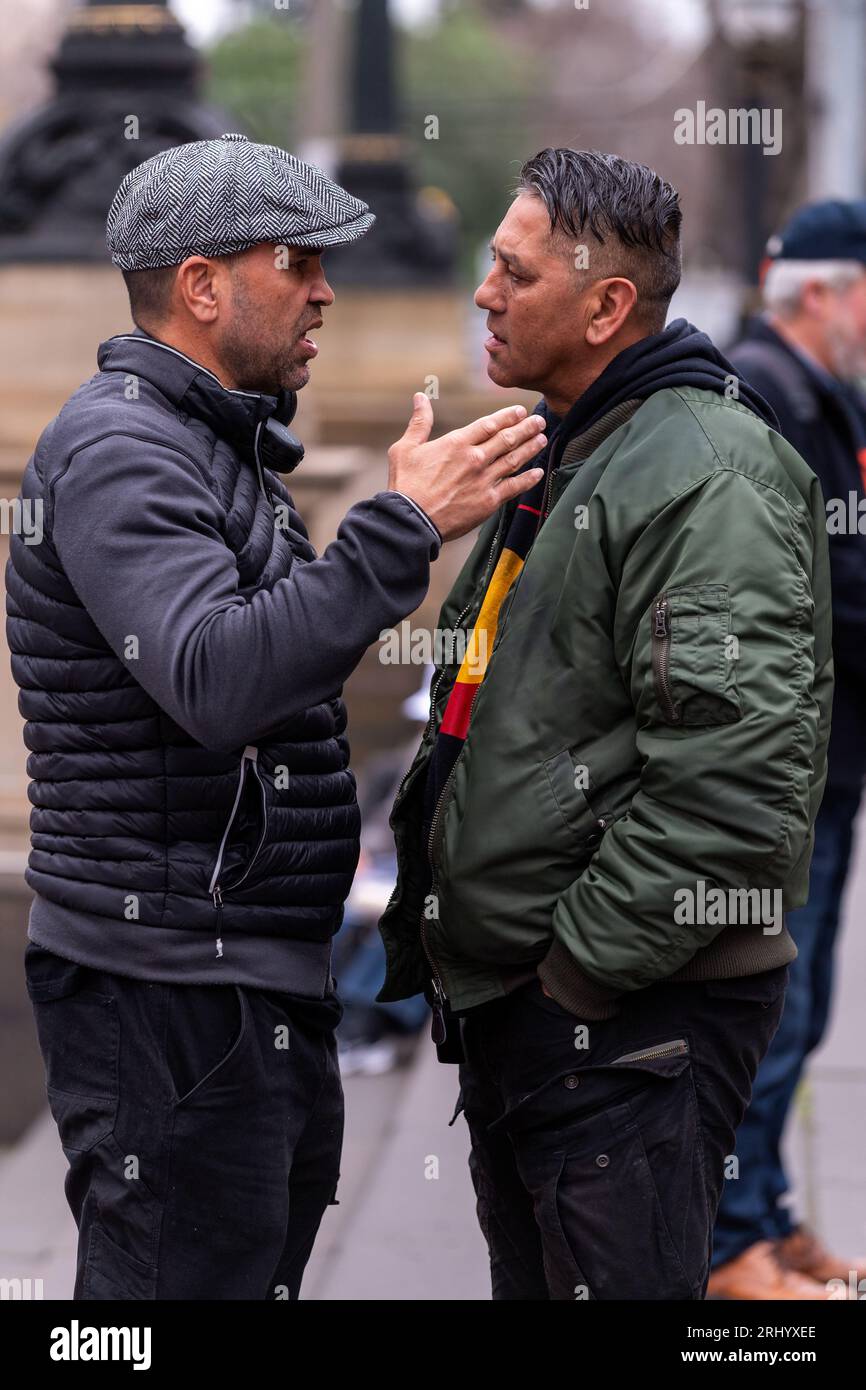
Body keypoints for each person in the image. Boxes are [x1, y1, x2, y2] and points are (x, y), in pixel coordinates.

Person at [6, 133, 546, 1300]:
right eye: (293, 261)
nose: (324, 289)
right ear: (200, 285)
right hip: (167, 997)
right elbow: (215, 679)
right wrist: (400, 526)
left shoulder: (207, 440)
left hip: (236, 980)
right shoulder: (121, 450)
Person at [378, 147, 834, 1301]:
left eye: (513, 273)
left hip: (619, 1024)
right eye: (490, 263)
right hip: (541, 1020)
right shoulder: (578, 443)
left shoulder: (702, 468)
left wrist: (575, 975)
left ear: (605, 305)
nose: (483, 292)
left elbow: (730, 783)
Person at [708, 200, 866, 1299]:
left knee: (795, 1008)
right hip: (783, 770)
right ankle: (726, 1249)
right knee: (767, 1005)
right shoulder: (761, 395)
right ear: (822, 291)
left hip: (824, 759)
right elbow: (798, 596)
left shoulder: (819, 393)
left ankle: (762, 1212)